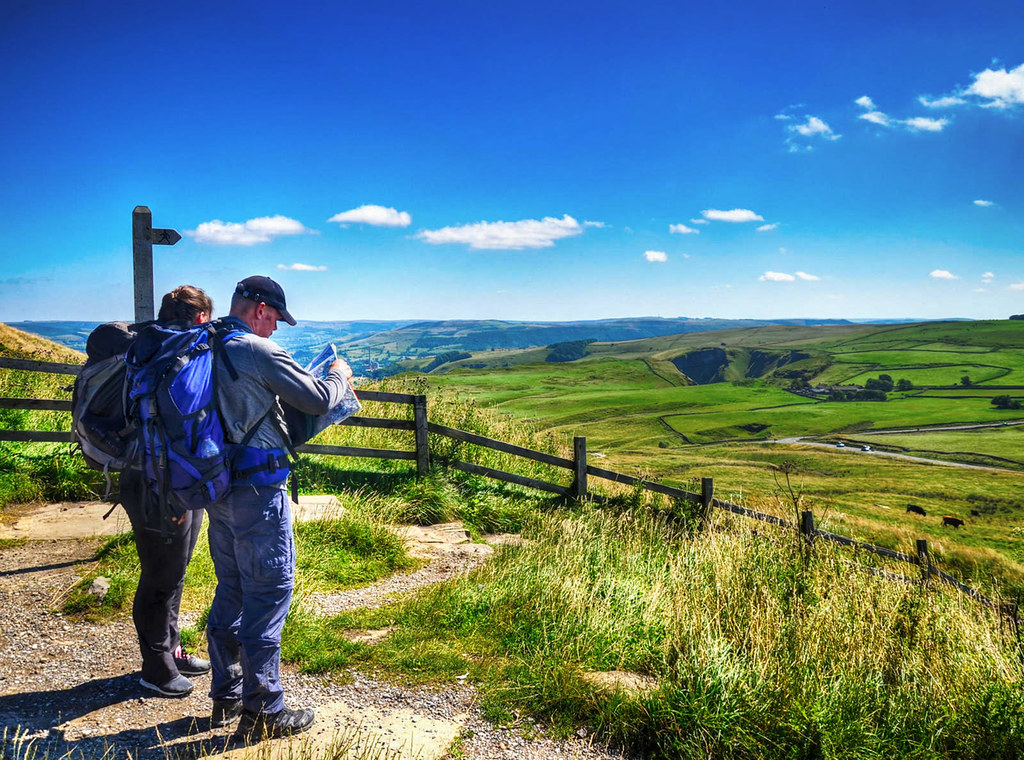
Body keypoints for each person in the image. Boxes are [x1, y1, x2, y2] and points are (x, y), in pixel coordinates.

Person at [205, 275, 351, 738]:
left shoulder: (204, 343)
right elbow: (318, 399)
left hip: (216, 488)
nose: (276, 330)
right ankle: (264, 711)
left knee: (231, 589)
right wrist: (339, 376)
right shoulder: (256, 350)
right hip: (259, 492)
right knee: (267, 593)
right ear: (262, 310)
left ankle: (226, 698)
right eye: (276, 321)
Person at [83, 285, 215, 698]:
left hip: (162, 478)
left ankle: (170, 651)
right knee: (161, 576)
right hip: (156, 482)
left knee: (173, 570)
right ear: (200, 318)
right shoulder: (165, 354)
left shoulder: (153, 349)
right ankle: (155, 668)